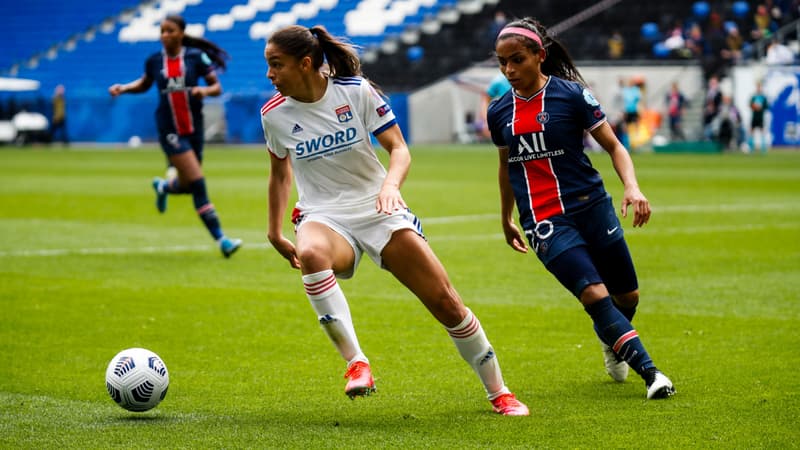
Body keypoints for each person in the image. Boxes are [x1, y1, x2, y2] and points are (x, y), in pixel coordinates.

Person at [260, 24, 529, 416]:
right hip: (323, 213)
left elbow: (399, 149)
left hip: (379, 209)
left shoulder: (355, 92)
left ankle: (500, 393)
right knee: (313, 254)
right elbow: (280, 174)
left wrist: (390, 186)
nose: (270, 75)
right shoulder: (275, 115)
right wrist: (273, 230)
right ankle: (357, 363)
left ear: (304, 63)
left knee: (446, 303)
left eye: (276, 65)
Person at [486, 17, 675, 400]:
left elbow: (615, 146)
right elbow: (508, 167)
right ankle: (652, 374)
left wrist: (632, 187)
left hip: (591, 206)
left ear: (539, 56)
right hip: (542, 219)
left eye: (517, 60)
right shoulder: (499, 112)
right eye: (502, 62)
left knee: (628, 298)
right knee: (592, 293)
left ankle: (612, 336)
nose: (509, 70)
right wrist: (505, 217)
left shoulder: (572, 95)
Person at [108, 15, 241, 258]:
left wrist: (203, 90)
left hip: (194, 127)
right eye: (162, 31)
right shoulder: (154, 60)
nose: (165, 35)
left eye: (170, 31)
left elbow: (216, 87)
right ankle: (222, 239)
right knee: (198, 183)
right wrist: (124, 88)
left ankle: (164, 187)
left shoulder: (195, 57)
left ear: (181, 33)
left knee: (188, 185)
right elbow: (145, 83)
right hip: (169, 129)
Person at [749, 80, 769, 153]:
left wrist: (761, 107)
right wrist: (754, 106)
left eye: (759, 87)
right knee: (751, 132)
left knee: (762, 132)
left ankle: (763, 148)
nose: (758, 88)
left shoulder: (763, 97)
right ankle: (751, 147)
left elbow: (767, 106)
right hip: (754, 117)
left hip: (761, 117)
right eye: (757, 87)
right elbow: (750, 105)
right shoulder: (753, 97)